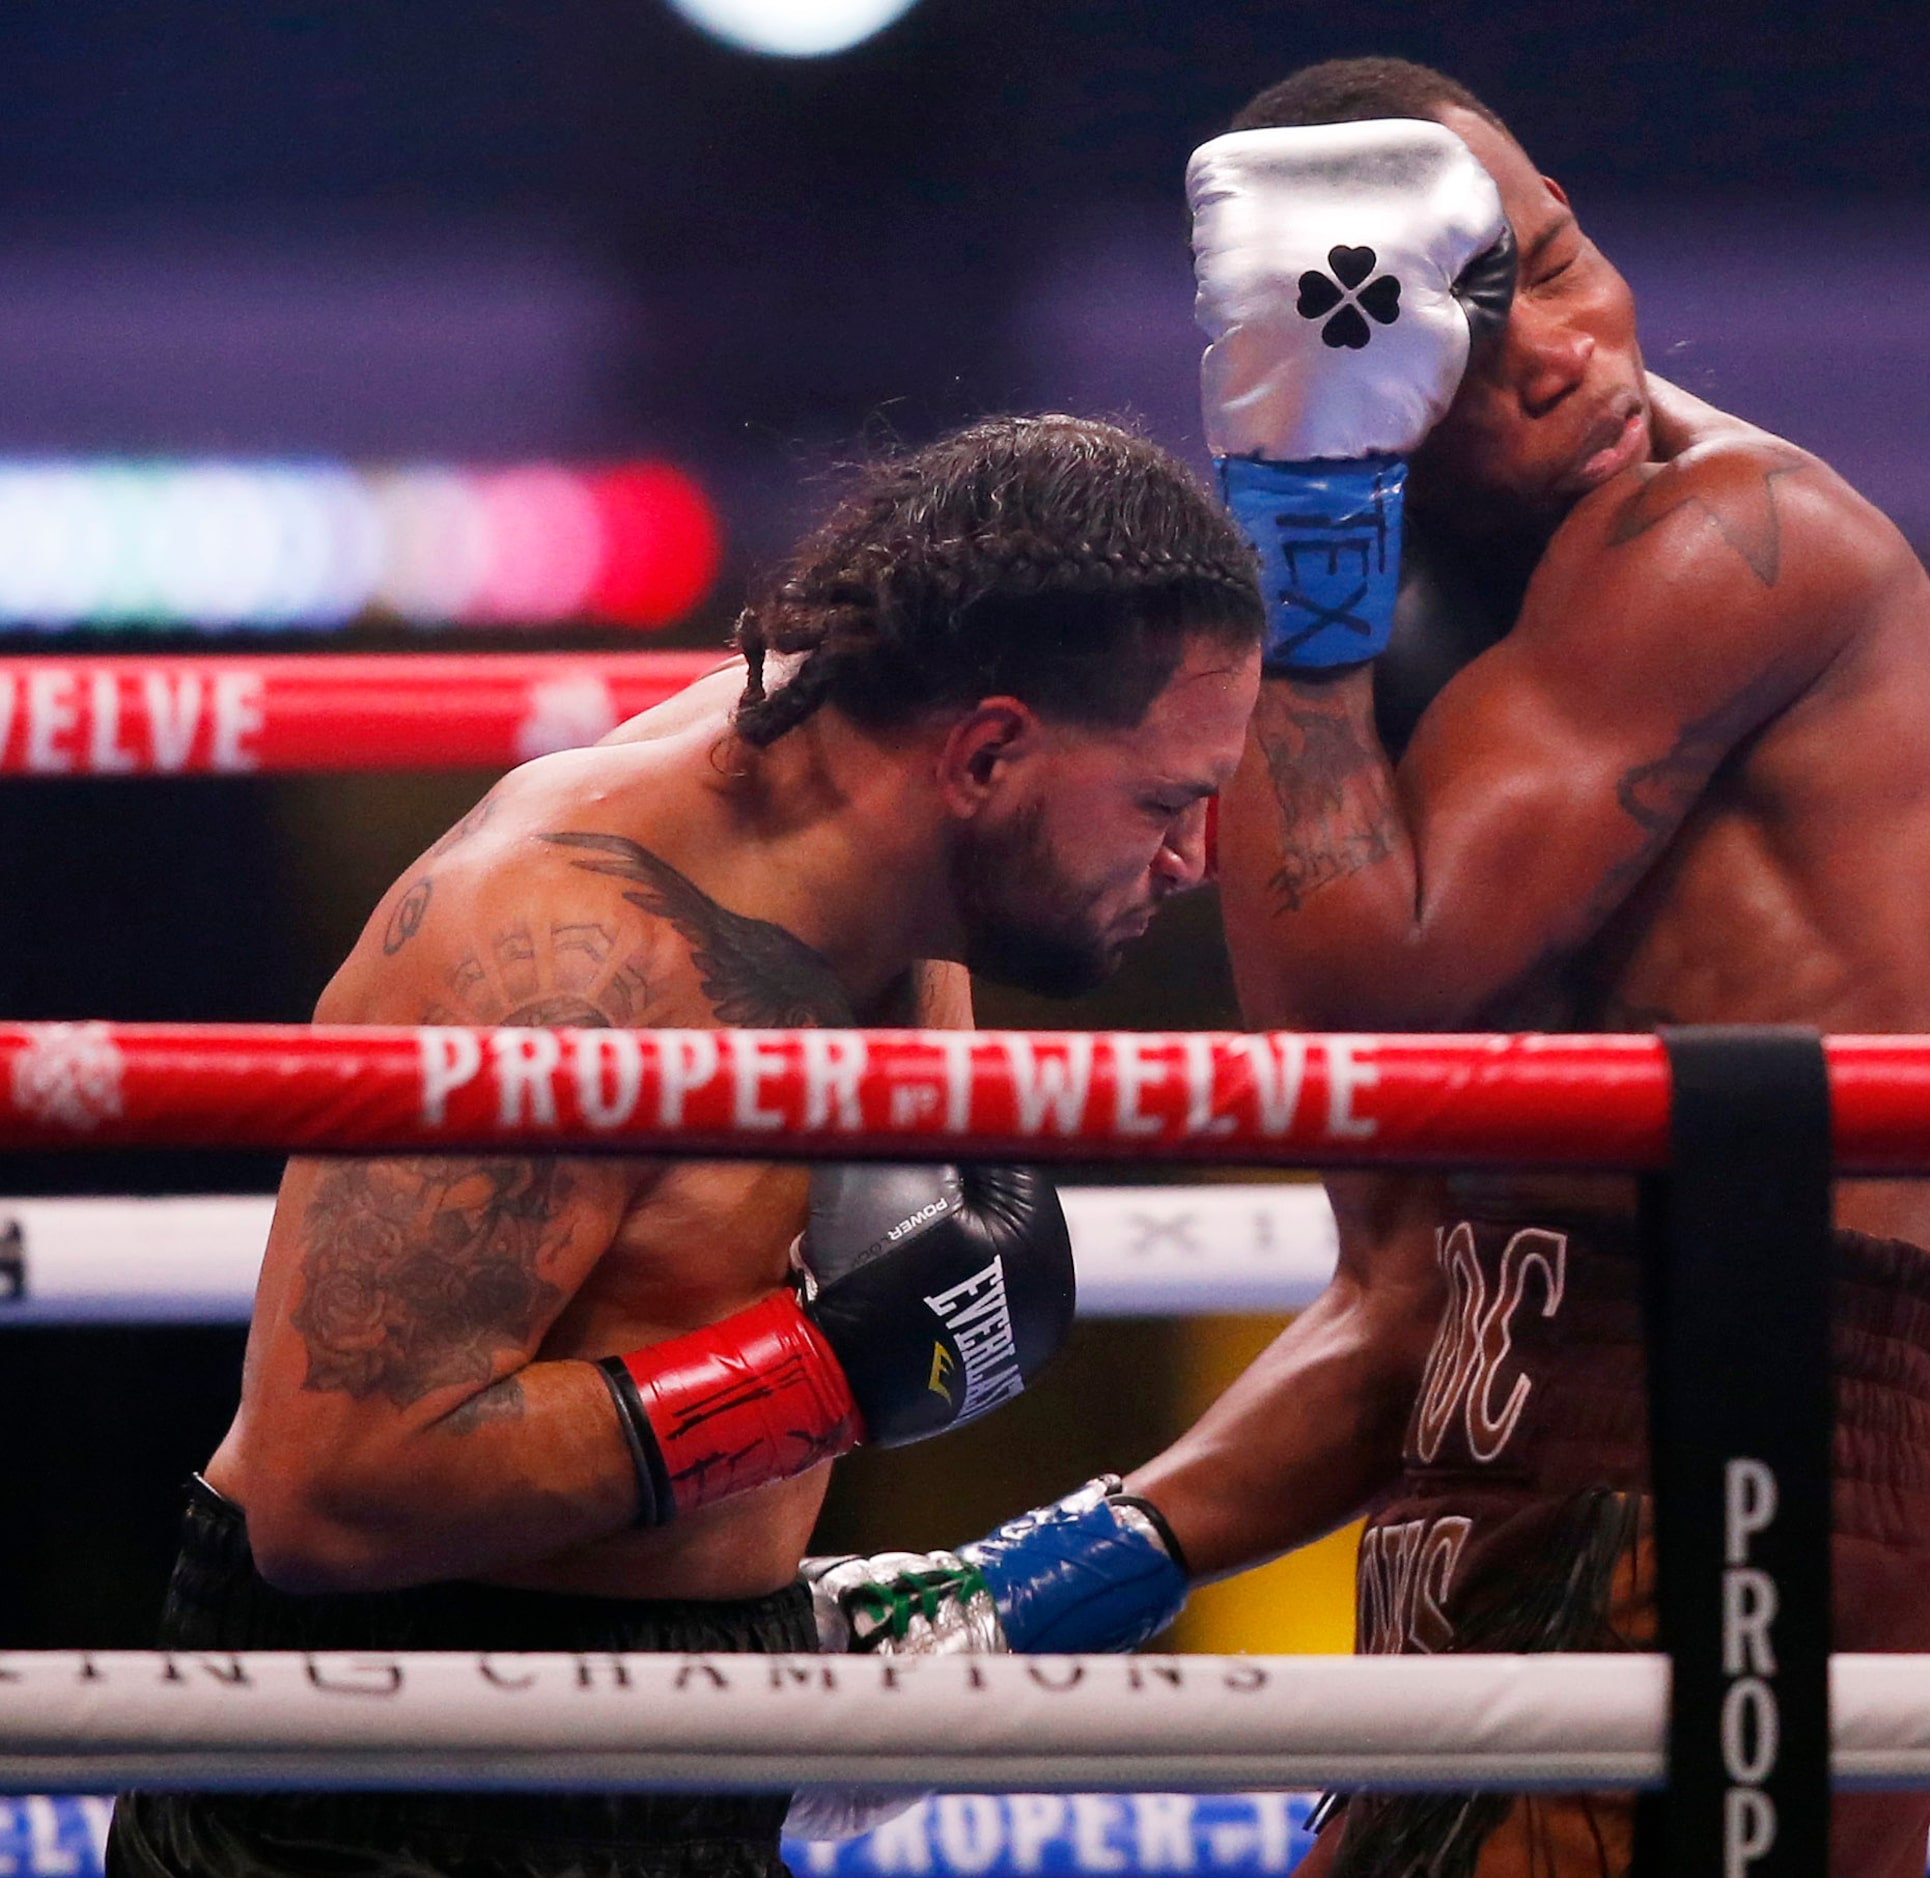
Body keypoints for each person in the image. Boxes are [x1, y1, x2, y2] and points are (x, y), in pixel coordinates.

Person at [814, 60, 1930, 1878]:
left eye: (1563, 260)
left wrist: (1299, 514)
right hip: (1478, 1488)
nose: (1564, 352)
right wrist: (1018, 1589)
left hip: (1727, 1472)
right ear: (1362, 387)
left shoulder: (1738, 541)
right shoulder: (1413, 647)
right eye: (1460, 333)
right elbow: (1403, 1293)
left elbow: (1361, 1009)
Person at [104, 413, 1266, 1878]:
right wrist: (813, 1378)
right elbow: (328, 1493)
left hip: (696, 1748)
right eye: (1167, 800)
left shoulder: (907, 844)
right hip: (373, 1780)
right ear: (987, 754)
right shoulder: (561, 954)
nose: (1194, 858)